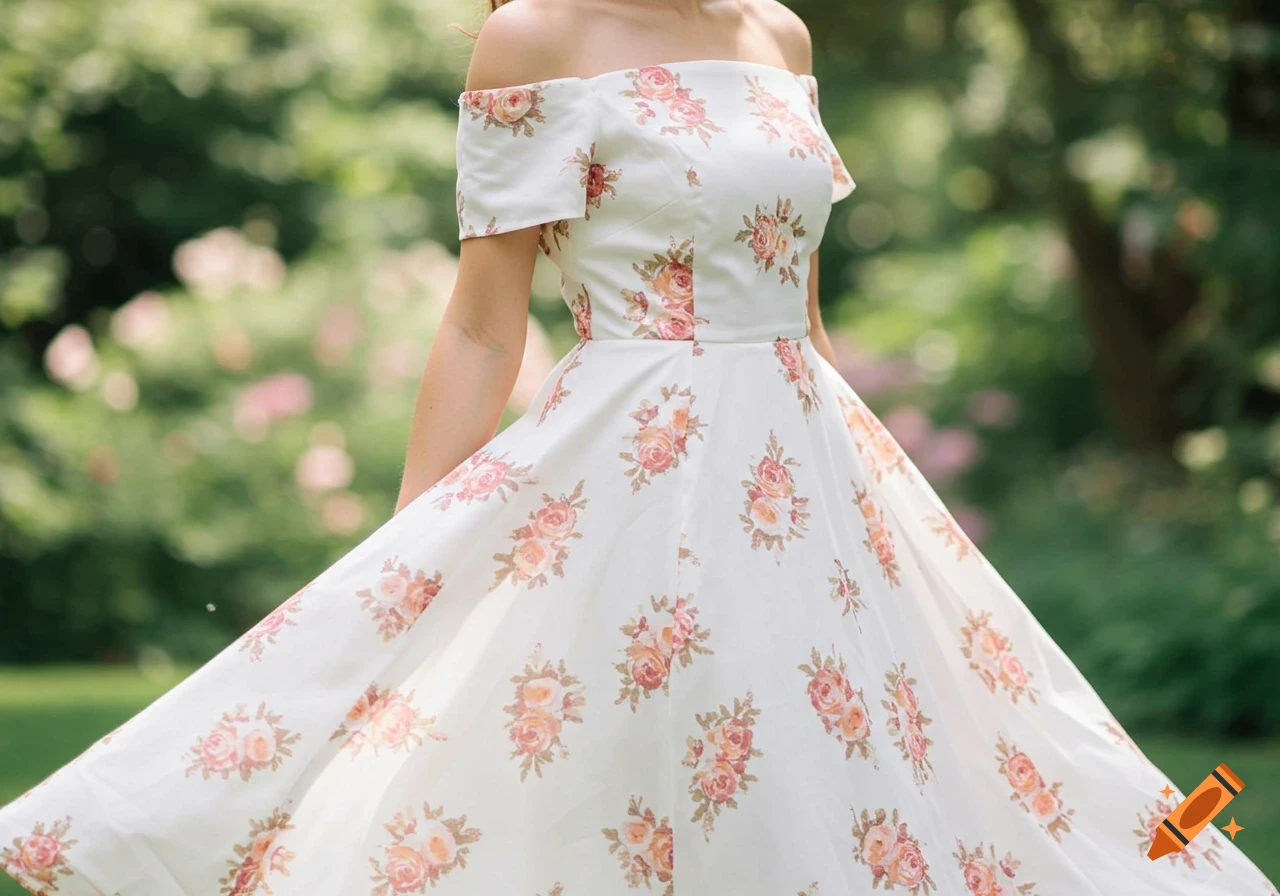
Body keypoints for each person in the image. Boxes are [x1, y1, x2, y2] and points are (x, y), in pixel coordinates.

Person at [1, 1, 1275, 894]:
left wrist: (874, 504)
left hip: (804, 456)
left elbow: (799, 307)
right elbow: (481, 321)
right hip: (636, 461)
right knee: (655, 745)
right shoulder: (534, 35)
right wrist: (413, 559)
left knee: (855, 752)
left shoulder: (777, 34)